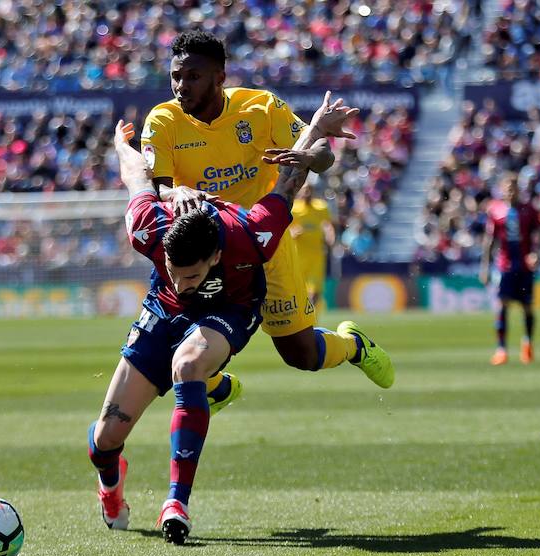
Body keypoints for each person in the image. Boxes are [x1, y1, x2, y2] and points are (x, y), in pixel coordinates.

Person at [89, 94, 371, 545]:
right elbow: (136, 177)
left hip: (231, 307)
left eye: (194, 275)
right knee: (105, 438)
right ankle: (111, 486)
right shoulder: (148, 227)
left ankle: (176, 502)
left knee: (189, 364)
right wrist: (122, 145)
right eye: (176, 272)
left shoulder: (250, 235)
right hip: (163, 311)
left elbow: (288, 183)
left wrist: (315, 128)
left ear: (217, 255)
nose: (185, 282)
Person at [140, 30, 394, 412]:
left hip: (262, 241)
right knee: (174, 335)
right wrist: (176, 192)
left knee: (301, 354)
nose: (180, 86)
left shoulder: (261, 108)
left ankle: (354, 345)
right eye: (175, 76)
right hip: (202, 248)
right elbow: (158, 187)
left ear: (220, 78)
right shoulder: (162, 121)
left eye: (192, 77)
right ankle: (215, 386)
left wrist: (309, 159)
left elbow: (321, 149)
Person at [479, 173, 540, 365]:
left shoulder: (529, 210)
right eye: (507, 187)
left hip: (525, 267)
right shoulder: (496, 210)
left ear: (518, 189)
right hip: (505, 267)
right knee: (501, 305)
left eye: (514, 187)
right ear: (502, 189)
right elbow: (490, 241)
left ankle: (528, 343)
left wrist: (536, 252)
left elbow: (538, 233)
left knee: (527, 307)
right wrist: (485, 267)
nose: (510, 190)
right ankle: (501, 349)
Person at [289, 185, 335, 307]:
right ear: (300, 192)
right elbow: (285, 228)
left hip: (316, 255)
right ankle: (303, 314)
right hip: (298, 255)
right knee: (298, 289)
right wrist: (292, 233)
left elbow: (327, 225)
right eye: (304, 190)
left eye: (309, 190)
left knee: (315, 291)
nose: (307, 193)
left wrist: (330, 236)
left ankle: (309, 313)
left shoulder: (321, 207)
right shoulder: (294, 208)